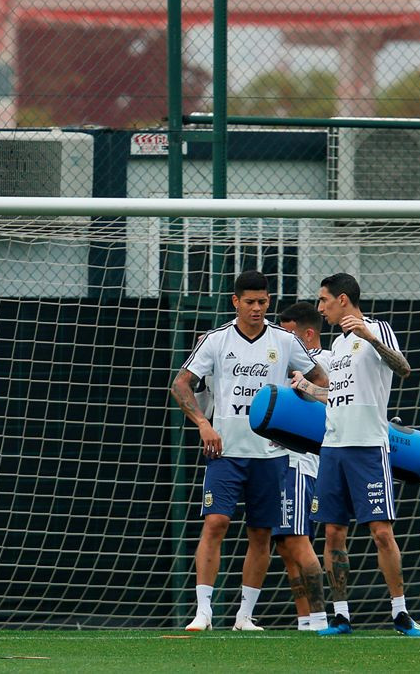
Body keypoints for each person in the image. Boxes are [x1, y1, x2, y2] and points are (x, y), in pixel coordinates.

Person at [169, 270, 327, 632]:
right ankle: (204, 612)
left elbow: (320, 380)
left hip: (271, 454)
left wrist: (302, 397)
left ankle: (244, 616)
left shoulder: (285, 341)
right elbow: (180, 383)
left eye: (263, 302)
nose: (257, 308)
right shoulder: (215, 339)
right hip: (226, 451)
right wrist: (203, 424)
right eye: (250, 302)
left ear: (269, 302)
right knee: (216, 523)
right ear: (235, 302)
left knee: (261, 534)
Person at [289, 272, 420, 637]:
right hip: (332, 448)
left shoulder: (378, 330)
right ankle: (341, 615)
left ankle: (400, 613)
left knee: (381, 532)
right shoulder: (336, 345)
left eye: (324, 300)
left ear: (343, 300)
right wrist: (306, 388)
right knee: (333, 532)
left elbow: (404, 368)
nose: (321, 308)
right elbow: (335, 394)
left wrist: (370, 338)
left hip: (368, 447)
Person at [274, 302, 331, 631]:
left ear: (307, 335)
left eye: (288, 334)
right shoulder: (287, 361)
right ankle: (305, 619)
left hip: (300, 462)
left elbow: (331, 397)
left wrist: (305, 385)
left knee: (297, 539)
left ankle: (321, 619)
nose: (281, 339)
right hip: (282, 460)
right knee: (284, 543)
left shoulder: (319, 363)